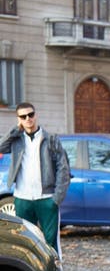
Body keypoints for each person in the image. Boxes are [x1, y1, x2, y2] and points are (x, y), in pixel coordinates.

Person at [0, 103, 70, 252]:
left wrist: (56, 198)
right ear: (19, 119)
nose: (28, 119)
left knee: (51, 244)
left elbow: (63, 169)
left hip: (46, 199)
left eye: (30, 115)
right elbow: (1, 147)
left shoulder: (50, 139)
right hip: (22, 199)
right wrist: (15, 130)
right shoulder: (16, 140)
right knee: (26, 242)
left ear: (35, 115)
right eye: (23, 116)